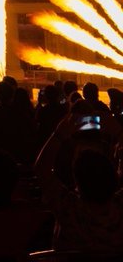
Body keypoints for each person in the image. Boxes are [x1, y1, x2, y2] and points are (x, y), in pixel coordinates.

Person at [34, 103, 123, 253]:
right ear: (114, 178)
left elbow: (41, 168)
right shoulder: (120, 207)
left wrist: (59, 133)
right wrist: (119, 132)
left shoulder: (68, 208)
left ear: (77, 181)